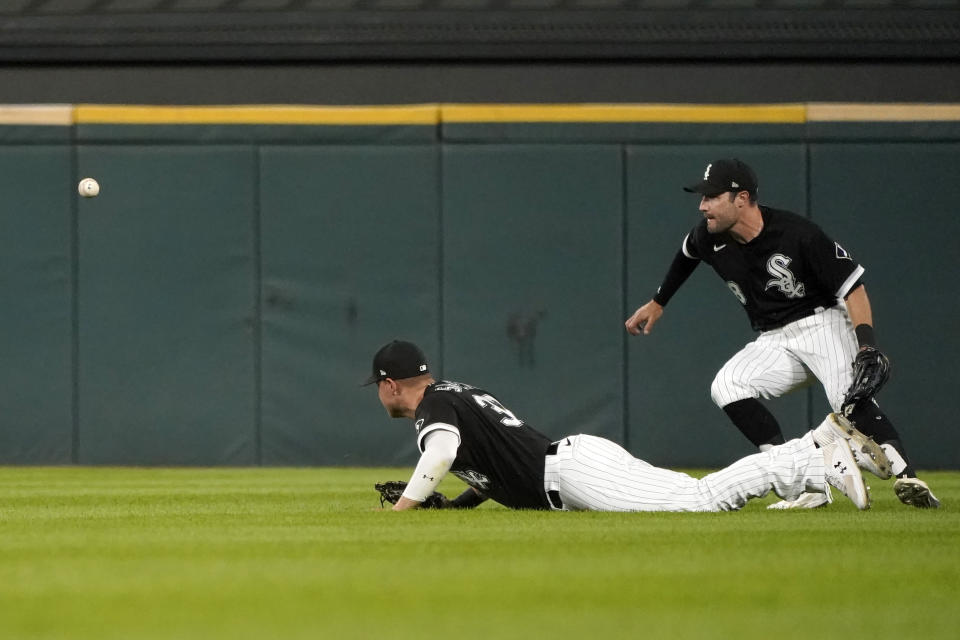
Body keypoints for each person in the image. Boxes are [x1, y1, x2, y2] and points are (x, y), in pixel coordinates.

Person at [624, 158, 938, 509]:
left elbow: (854, 288)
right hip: (774, 338)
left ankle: (908, 476)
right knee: (727, 386)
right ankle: (798, 475)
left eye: (711, 197)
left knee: (849, 400)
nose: (702, 206)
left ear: (741, 198)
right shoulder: (708, 236)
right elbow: (686, 256)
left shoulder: (797, 234)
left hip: (823, 325)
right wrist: (657, 303)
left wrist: (866, 344)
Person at [364, 340, 890, 513]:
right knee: (694, 493)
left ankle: (816, 453)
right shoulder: (453, 392)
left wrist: (405, 511)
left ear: (391, 385)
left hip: (570, 474)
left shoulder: (433, 408)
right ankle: (815, 455)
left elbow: (438, 457)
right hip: (572, 461)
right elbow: (493, 457)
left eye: (378, 388)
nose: (380, 396)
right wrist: (456, 506)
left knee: (700, 500)